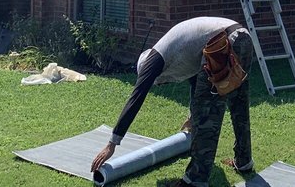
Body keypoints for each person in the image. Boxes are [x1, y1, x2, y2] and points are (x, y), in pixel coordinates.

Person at [90, 16, 254, 187]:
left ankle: (195, 181)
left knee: (207, 115)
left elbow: (136, 98)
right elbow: (196, 83)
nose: (162, 84)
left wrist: (112, 143)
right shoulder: (175, 51)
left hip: (220, 44)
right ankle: (244, 162)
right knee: (238, 103)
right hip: (241, 37)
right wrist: (192, 115)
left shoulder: (152, 61)